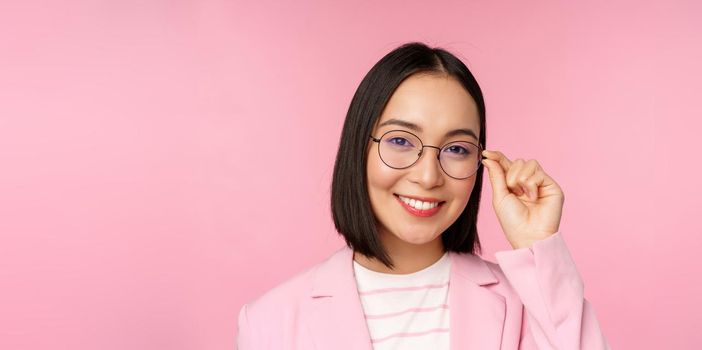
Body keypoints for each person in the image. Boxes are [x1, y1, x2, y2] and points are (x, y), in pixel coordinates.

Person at [236, 41, 611, 350]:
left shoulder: (530, 305)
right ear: (358, 148)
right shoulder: (269, 322)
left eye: (457, 149)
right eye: (400, 141)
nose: (429, 176)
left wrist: (537, 245)